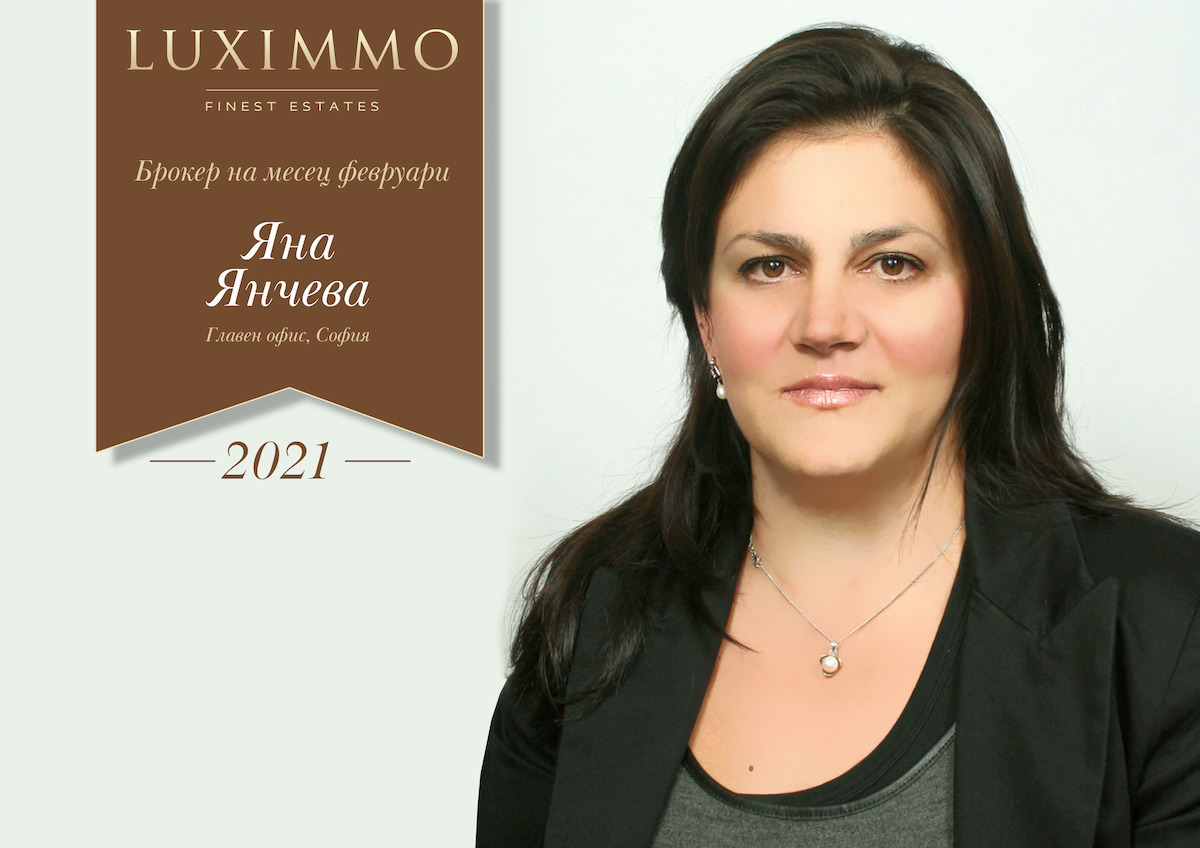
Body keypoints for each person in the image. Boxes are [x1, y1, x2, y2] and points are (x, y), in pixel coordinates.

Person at [477, 24, 1200, 847]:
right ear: (706, 321)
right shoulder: (592, 619)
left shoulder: (1170, 627)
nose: (824, 324)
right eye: (769, 266)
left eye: (893, 264)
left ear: (981, 306)